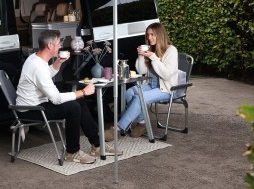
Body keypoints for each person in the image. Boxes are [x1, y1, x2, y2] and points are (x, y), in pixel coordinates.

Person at [16, 30, 121, 164]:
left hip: (37, 104)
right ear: (50, 46)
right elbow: (56, 99)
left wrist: (58, 62)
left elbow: (46, 75)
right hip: (30, 110)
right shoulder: (37, 66)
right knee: (73, 107)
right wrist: (83, 92)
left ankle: (97, 145)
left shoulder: (35, 58)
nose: (60, 46)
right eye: (58, 43)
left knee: (78, 101)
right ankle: (72, 152)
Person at [105, 22, 179, 141]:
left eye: (152, 35)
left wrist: (153, 57)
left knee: (140, 97)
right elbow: (141, 70)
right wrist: (141, 56)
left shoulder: (171, 50)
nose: (149, 38)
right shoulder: (151, 49)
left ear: (160, 35)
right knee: (129, 93)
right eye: (147, 35)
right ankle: (142, 123)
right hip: (151, 85)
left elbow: (166, 75)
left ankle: (117, 128)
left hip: (166, 89)